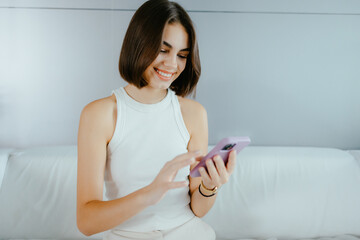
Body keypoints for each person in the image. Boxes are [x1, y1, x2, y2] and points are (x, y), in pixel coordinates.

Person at [76, 0, 237, 239]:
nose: (172, 64)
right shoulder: (99, 114)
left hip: (186, 232)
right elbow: (86, 222)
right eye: (163, 50)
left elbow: (198, 209)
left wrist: (209, 186)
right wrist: (149, 194)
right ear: (138, 44)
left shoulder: (193, 114)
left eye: (182, 55)